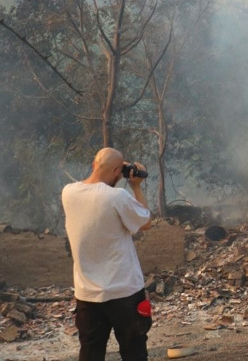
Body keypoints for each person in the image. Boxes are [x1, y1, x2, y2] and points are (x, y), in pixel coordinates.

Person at [62, 147, 152, 361]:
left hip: (87, 295)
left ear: (93, 165)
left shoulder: (68, 192)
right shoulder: (118, 196)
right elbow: (145, 221)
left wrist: (116, 170)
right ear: (115, 172)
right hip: (125, 293)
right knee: (134, 352)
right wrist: (136, 186)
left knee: (90, 353)